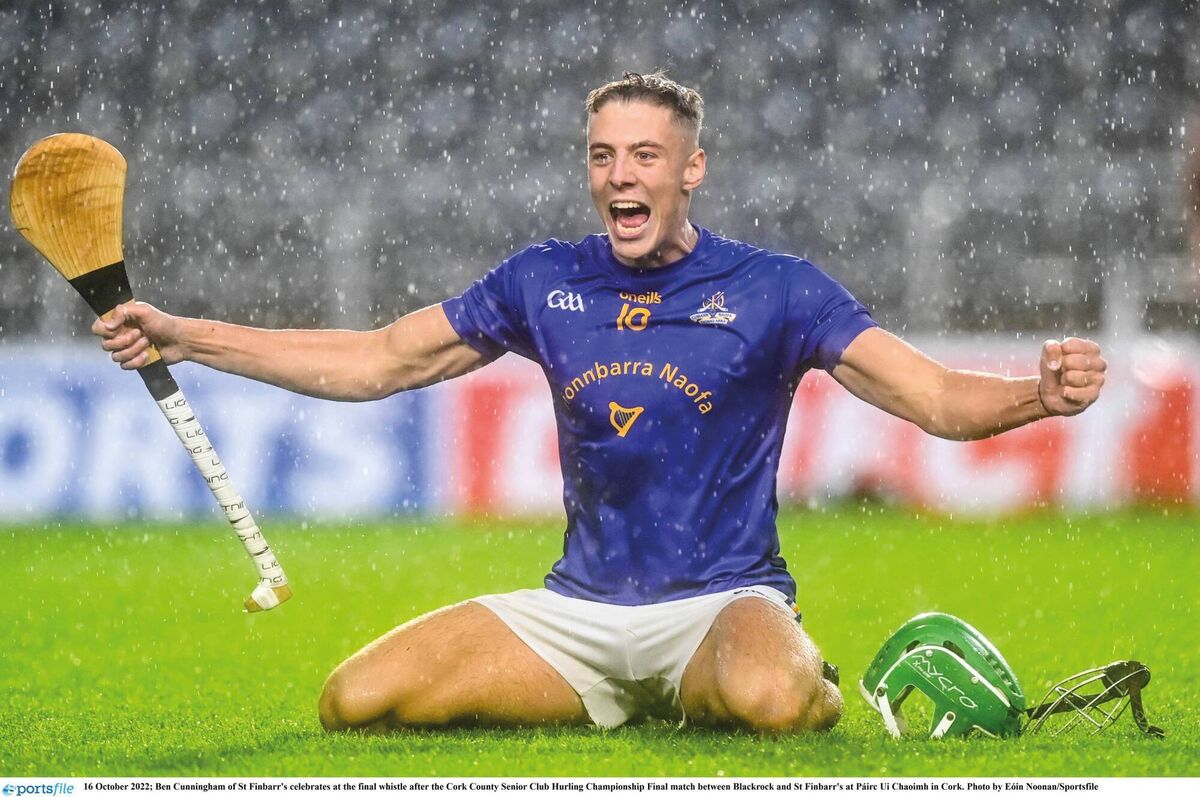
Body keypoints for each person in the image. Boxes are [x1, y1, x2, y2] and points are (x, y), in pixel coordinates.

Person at [93, 72, 1107, 734]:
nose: (620, 176)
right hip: (576, 613)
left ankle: (795, 669)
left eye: (645, 156)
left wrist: (1039, 395)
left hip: (721, 603)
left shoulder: (777, 288)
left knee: (775, 695)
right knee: (353, 700)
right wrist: (188, 334)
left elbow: (934, 396)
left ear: (691, 169)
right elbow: (377, 360)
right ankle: (645, 694)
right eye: (602, 155)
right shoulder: (544, 279)